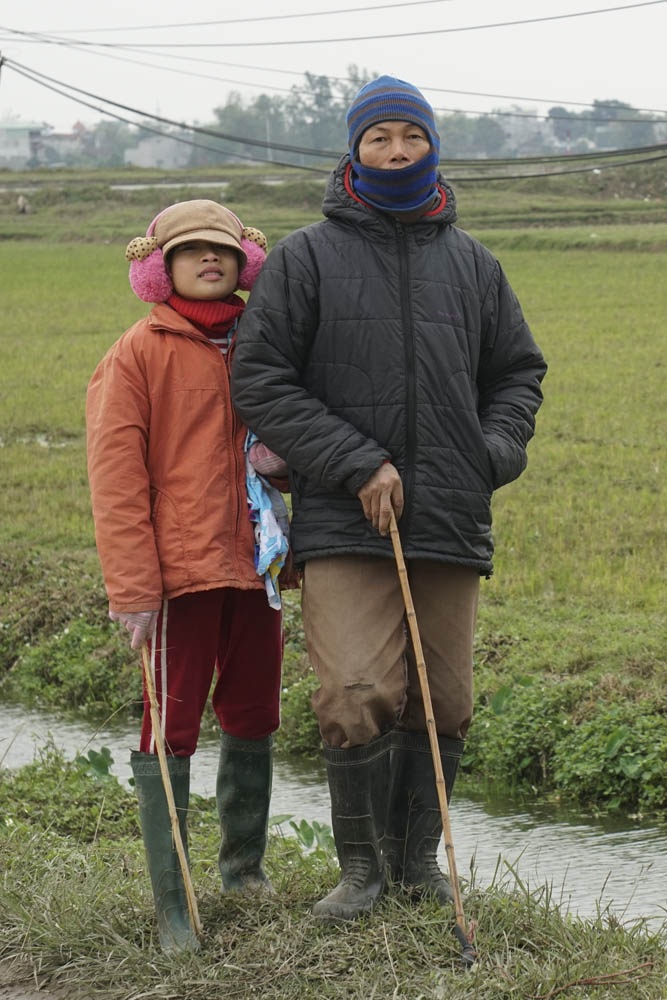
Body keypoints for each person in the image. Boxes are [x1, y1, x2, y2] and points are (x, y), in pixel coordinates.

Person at [231, 76, 548, 922]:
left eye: (411, 134)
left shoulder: (474, 264)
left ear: (433, 144)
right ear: (353, 149)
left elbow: (518, 373)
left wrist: (486, 455)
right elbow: (259, 379)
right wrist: (356, 461)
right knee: (356, 689)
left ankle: (414, 868)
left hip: (449, 513)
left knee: (442, 699)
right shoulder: (307, 257)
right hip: (345, 516)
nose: (396, 150)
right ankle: (361, 873)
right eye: (379, 137)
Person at [86, 199, 290, 952]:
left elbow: (291, 436)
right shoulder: (137, 352)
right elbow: (115, 483)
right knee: (168, 729)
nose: (211, 260)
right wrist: (134, 591)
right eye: (192, 251)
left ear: (246, 265)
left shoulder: (263, 345)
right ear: (158, 268)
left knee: (254, 716)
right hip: (177, 579)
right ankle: (174, 908)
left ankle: (243, 872)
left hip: (257, 567)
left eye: (223, 251)